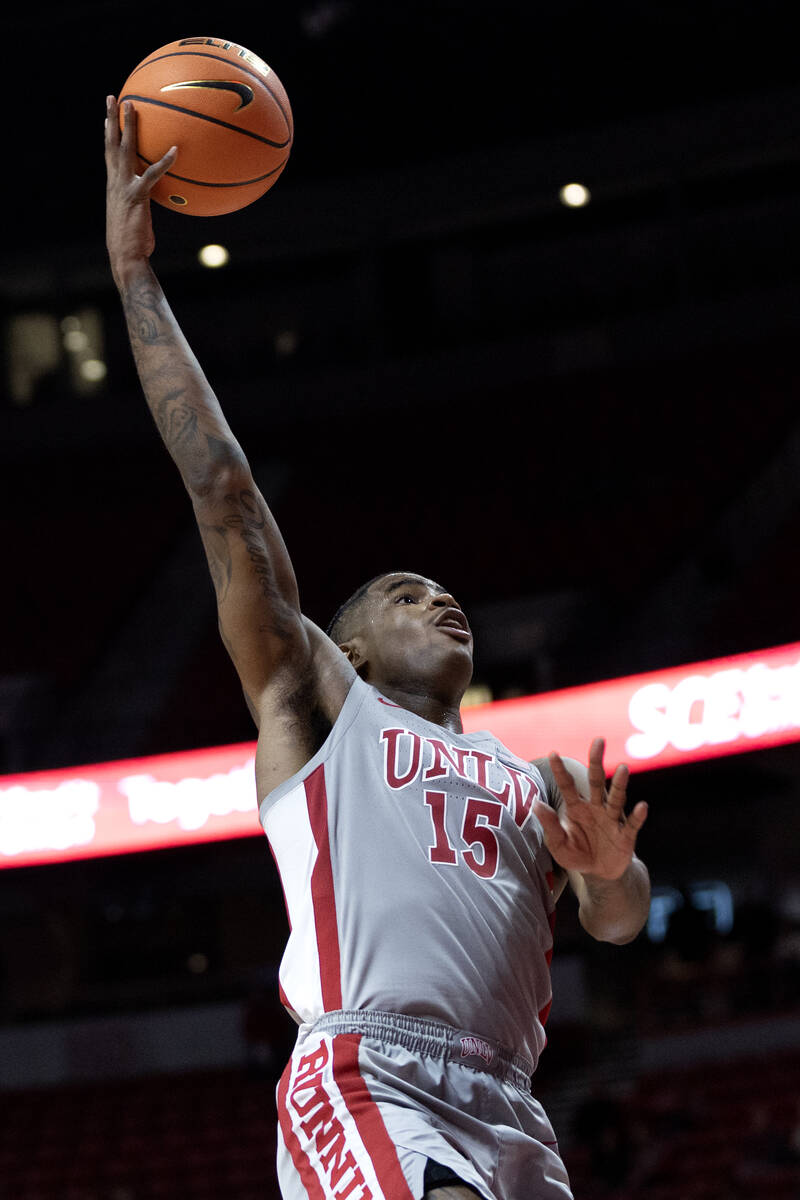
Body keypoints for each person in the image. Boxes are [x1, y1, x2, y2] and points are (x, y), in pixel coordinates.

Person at [104, 97, 651, 1200]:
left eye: (446, 592)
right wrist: (136, 282)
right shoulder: (321, 708)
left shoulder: (526, 777)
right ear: (345, 639)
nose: (441, 599)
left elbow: (620, 918)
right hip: (369, 1074)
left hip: (510, 1101)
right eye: (407, 595)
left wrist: (606, 873)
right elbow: (224, 491)